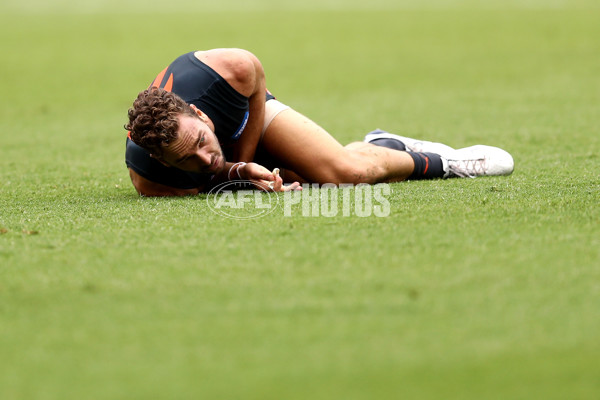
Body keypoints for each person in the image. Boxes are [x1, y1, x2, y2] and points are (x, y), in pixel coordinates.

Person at [125, 48, 514, 196]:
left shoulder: (228, 72)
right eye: (185, 160)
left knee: (347, 175)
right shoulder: (152, 179)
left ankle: (447, 163)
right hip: (210, 147)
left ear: (198, 115)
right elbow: (208, 177)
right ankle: (382, 145)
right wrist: (238, 175)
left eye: (199, 141)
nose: (203, 157)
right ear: (163, 162)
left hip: (243, 114)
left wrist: (240, 161)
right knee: (305, 181)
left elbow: (256, 77)